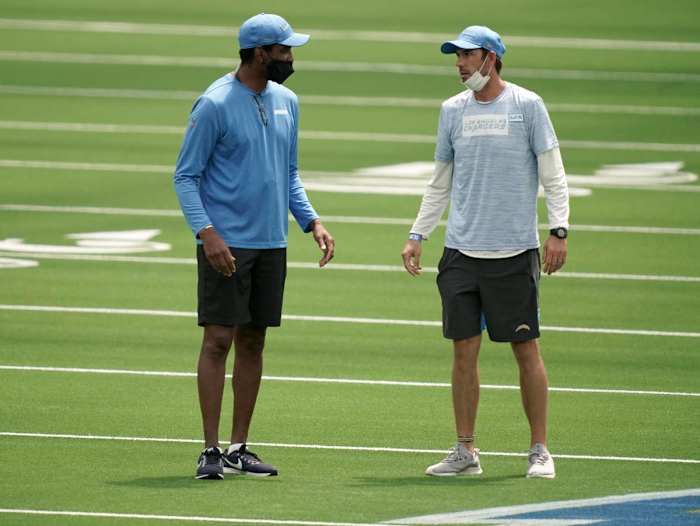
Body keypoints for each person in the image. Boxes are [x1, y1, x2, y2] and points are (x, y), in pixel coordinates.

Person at [401, 25, 569, 479]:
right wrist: (418, 234)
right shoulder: (451, 111)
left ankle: (539, 449)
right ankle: (465, 451)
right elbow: (441, 181)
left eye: (465, 56)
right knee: (463, 351)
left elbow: (553, 173)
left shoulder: (527, 105)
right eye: (456, 57)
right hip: (460, 253)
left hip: (514, 251)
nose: (458, 64)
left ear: (490, 58)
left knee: (525, 348)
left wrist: (559, 230)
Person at [174, 12, 335, 480]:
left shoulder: (288, 100)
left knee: (254, 339)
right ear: (260, 52)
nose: (290, 58)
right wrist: (208, 234)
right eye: (284, 50)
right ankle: (208, 450)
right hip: (226, 244)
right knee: (218, 340)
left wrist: (312, 222)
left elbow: (288, 174)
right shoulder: (214, 104)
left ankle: (239, 447)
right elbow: (185, 177)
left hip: (272, 242)